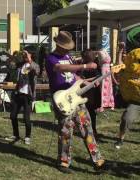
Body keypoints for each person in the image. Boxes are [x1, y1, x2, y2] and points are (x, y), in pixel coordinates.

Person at [45, 31, 106, 173]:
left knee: (87, 128)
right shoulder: (51, 58)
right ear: (58, 45)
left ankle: (98, 161)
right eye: (65, 46)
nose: (68, 49)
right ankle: (63, 162)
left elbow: (73, 76)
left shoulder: (68, 56)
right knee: (66, 131)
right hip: (62, 100)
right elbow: (61, 68)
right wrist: (85, 66)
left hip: (77, 98)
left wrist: (84, 82)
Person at [5, 50, 40, 145]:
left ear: (31, 55)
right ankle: (15, 135)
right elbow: (10, 66)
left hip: (28, 95)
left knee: (26, 118)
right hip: (18, 93)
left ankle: (27, 136)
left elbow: (37, 72)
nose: (24, 55)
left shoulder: (35, 65)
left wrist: (29, 60)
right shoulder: (21, 64)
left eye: (27, 53)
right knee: (13, 116)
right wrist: (11, 57)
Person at [114, 42, 140, 149]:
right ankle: (120, 138)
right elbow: (120, 65)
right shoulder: (133, 58)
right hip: (136, 99)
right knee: (126, 118)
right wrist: (120, 51)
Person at [80, 49, 102, 136]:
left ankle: (93, 129)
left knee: (90, 111)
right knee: (85, 110)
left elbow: (98, 77)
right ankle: (85, 128)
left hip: (91, 92)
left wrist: (84, 80)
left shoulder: (92, 66)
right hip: (86, 91)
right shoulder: (84, 66)